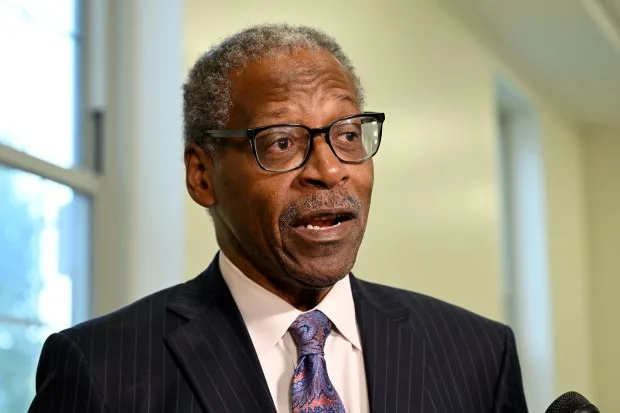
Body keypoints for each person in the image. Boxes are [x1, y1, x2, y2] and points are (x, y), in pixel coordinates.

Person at [29, 24, 528, 413]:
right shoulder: (100, 369)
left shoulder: (478, 355)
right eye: (282, 142)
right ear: (202, 175)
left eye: (349, 135)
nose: (331, 170)